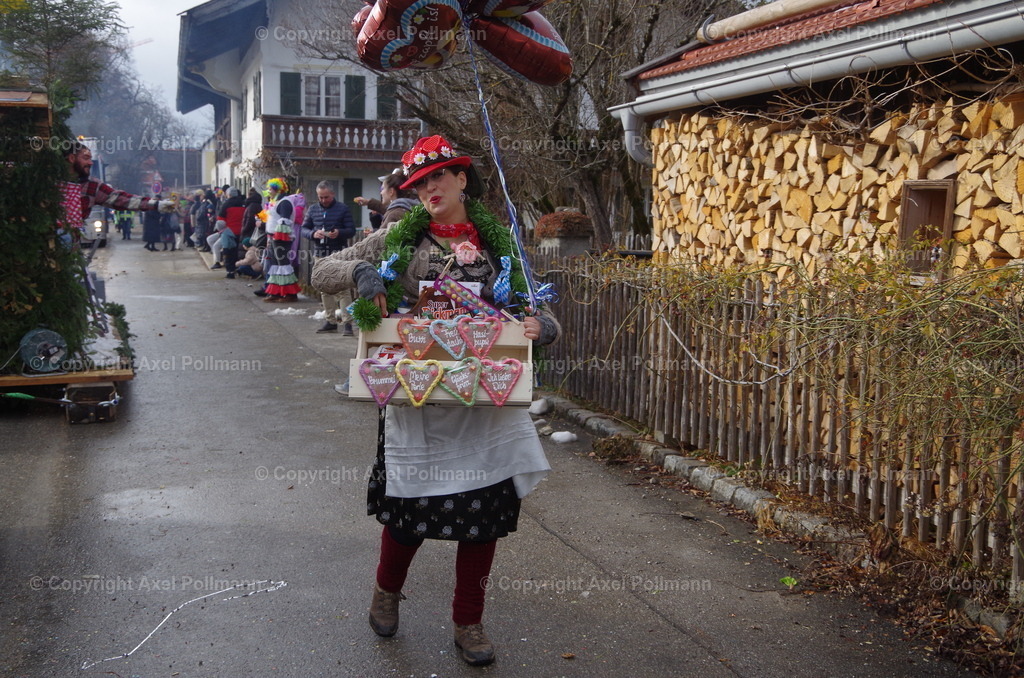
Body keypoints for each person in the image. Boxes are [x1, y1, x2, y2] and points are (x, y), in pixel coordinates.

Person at [310, 135, 559, 667]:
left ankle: (469, 621)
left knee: (484, 520)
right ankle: (386, 589)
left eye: (438, 177)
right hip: (416, 395)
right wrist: (360, 274)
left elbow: (535, 306)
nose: (428, 189)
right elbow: (321, 270)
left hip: (485, 398)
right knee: (408, 515)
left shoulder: (498, 243)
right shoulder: (398, 235)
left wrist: (545, 327)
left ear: (462, 178)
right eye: (419, 183)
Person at [62, 141, 174, 240]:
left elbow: (122, 199)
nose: (91, 163)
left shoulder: (92, 186)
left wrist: (156, 204)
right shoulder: (50, 183)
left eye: (91, 159)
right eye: (86, 159)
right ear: (72, 158)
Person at [301, 181, 356, 334]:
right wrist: (313, 234)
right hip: (320, 253)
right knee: (324, 288)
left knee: (343, 289)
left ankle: (347, 324)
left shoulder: (343, 209)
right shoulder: (313, 209)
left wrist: (339, 232)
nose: (323, 200)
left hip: (339, 253)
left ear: (333, 194)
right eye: (320, 197)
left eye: (326, 197)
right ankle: (330, 321)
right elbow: (304, 229)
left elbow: (351, 230)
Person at [262, 177, 303, 303]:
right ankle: (277, 292)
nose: (268, 191)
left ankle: (290, 294)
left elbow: (285, 221)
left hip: (281, 238)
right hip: (274, 237)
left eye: (270, 189)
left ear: (277, 189)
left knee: (283, 264)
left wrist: (278, 237)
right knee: (275, 265)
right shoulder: (277, 202)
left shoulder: (285, 202)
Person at [354, 169, 421, 230]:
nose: (381, 192)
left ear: (391, 191)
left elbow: (383, 239)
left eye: (382, 189)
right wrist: (368, 202)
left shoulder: (395, 214)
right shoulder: (409, 207)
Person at [210, 187, 246, 276]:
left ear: (228, 194)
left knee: (229, 252)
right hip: (242, 231)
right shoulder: (243, 203)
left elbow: (221, 221)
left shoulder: (226, 204)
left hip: (229, 231)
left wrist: (221, 230)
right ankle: (239, 268)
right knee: (240, 251)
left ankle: (230, 271)